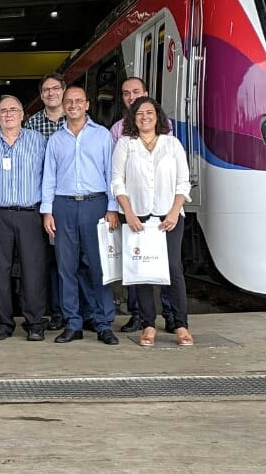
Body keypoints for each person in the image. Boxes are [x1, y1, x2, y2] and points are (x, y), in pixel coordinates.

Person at [110, 96, 194, 347]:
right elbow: (117, 181)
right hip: (137, 218)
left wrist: (173, 211)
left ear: (158, 117)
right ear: (133, 119)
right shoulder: (126, 144)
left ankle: (181, 324)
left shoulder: (172, 144)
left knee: (173, 269)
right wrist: (129, 213)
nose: (145, 117)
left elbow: (183, 181)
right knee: (142, 271)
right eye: (139, 114)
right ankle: (148, 324)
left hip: (168, 217)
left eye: (149, 112)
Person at [41, 86, 121, 346]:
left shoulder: (102, 136)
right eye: (68, 101)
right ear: (63, 106)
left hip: (95, 205)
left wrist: (112, 208)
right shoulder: (56, 140)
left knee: (98, 267)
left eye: (78, 101)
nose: (73, 105)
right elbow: (49, 178)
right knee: (66, 268)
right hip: (63, 206)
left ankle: (103, 323)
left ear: (87, 104)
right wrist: (47, 211)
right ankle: (72, 323)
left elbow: (112, 174)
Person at [0, 95, 49, 341]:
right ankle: (2, 324)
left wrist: (48, 211)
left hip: (31, 214)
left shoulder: (38, 141)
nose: (8, 114)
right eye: (3, 111)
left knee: (33, 270)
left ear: (22, 115)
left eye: (13, 110)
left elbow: (49, 179)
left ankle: (35, 322)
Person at [109, 77, 177, 334]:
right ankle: (139, 315)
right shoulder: (117, 131)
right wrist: (119, 208)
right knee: (137, 263)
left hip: (163, 208)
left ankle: (171, 315)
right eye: (126, 93)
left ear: (146, 93)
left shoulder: (164, 127)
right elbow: (116, 173)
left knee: (168, 264)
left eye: (136, 92)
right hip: (134, 209)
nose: (131, 96)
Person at [24, 73, 68, 330]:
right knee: (49, 260)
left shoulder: (77, 121)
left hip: (72, 199)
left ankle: (80, 311)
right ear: (41, 96)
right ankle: (58, 312)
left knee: (76, 259)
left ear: (63, 91)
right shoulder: (31, 125)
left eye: (55, 88)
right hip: (43, 203)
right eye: (46, 90)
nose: (51, 93)